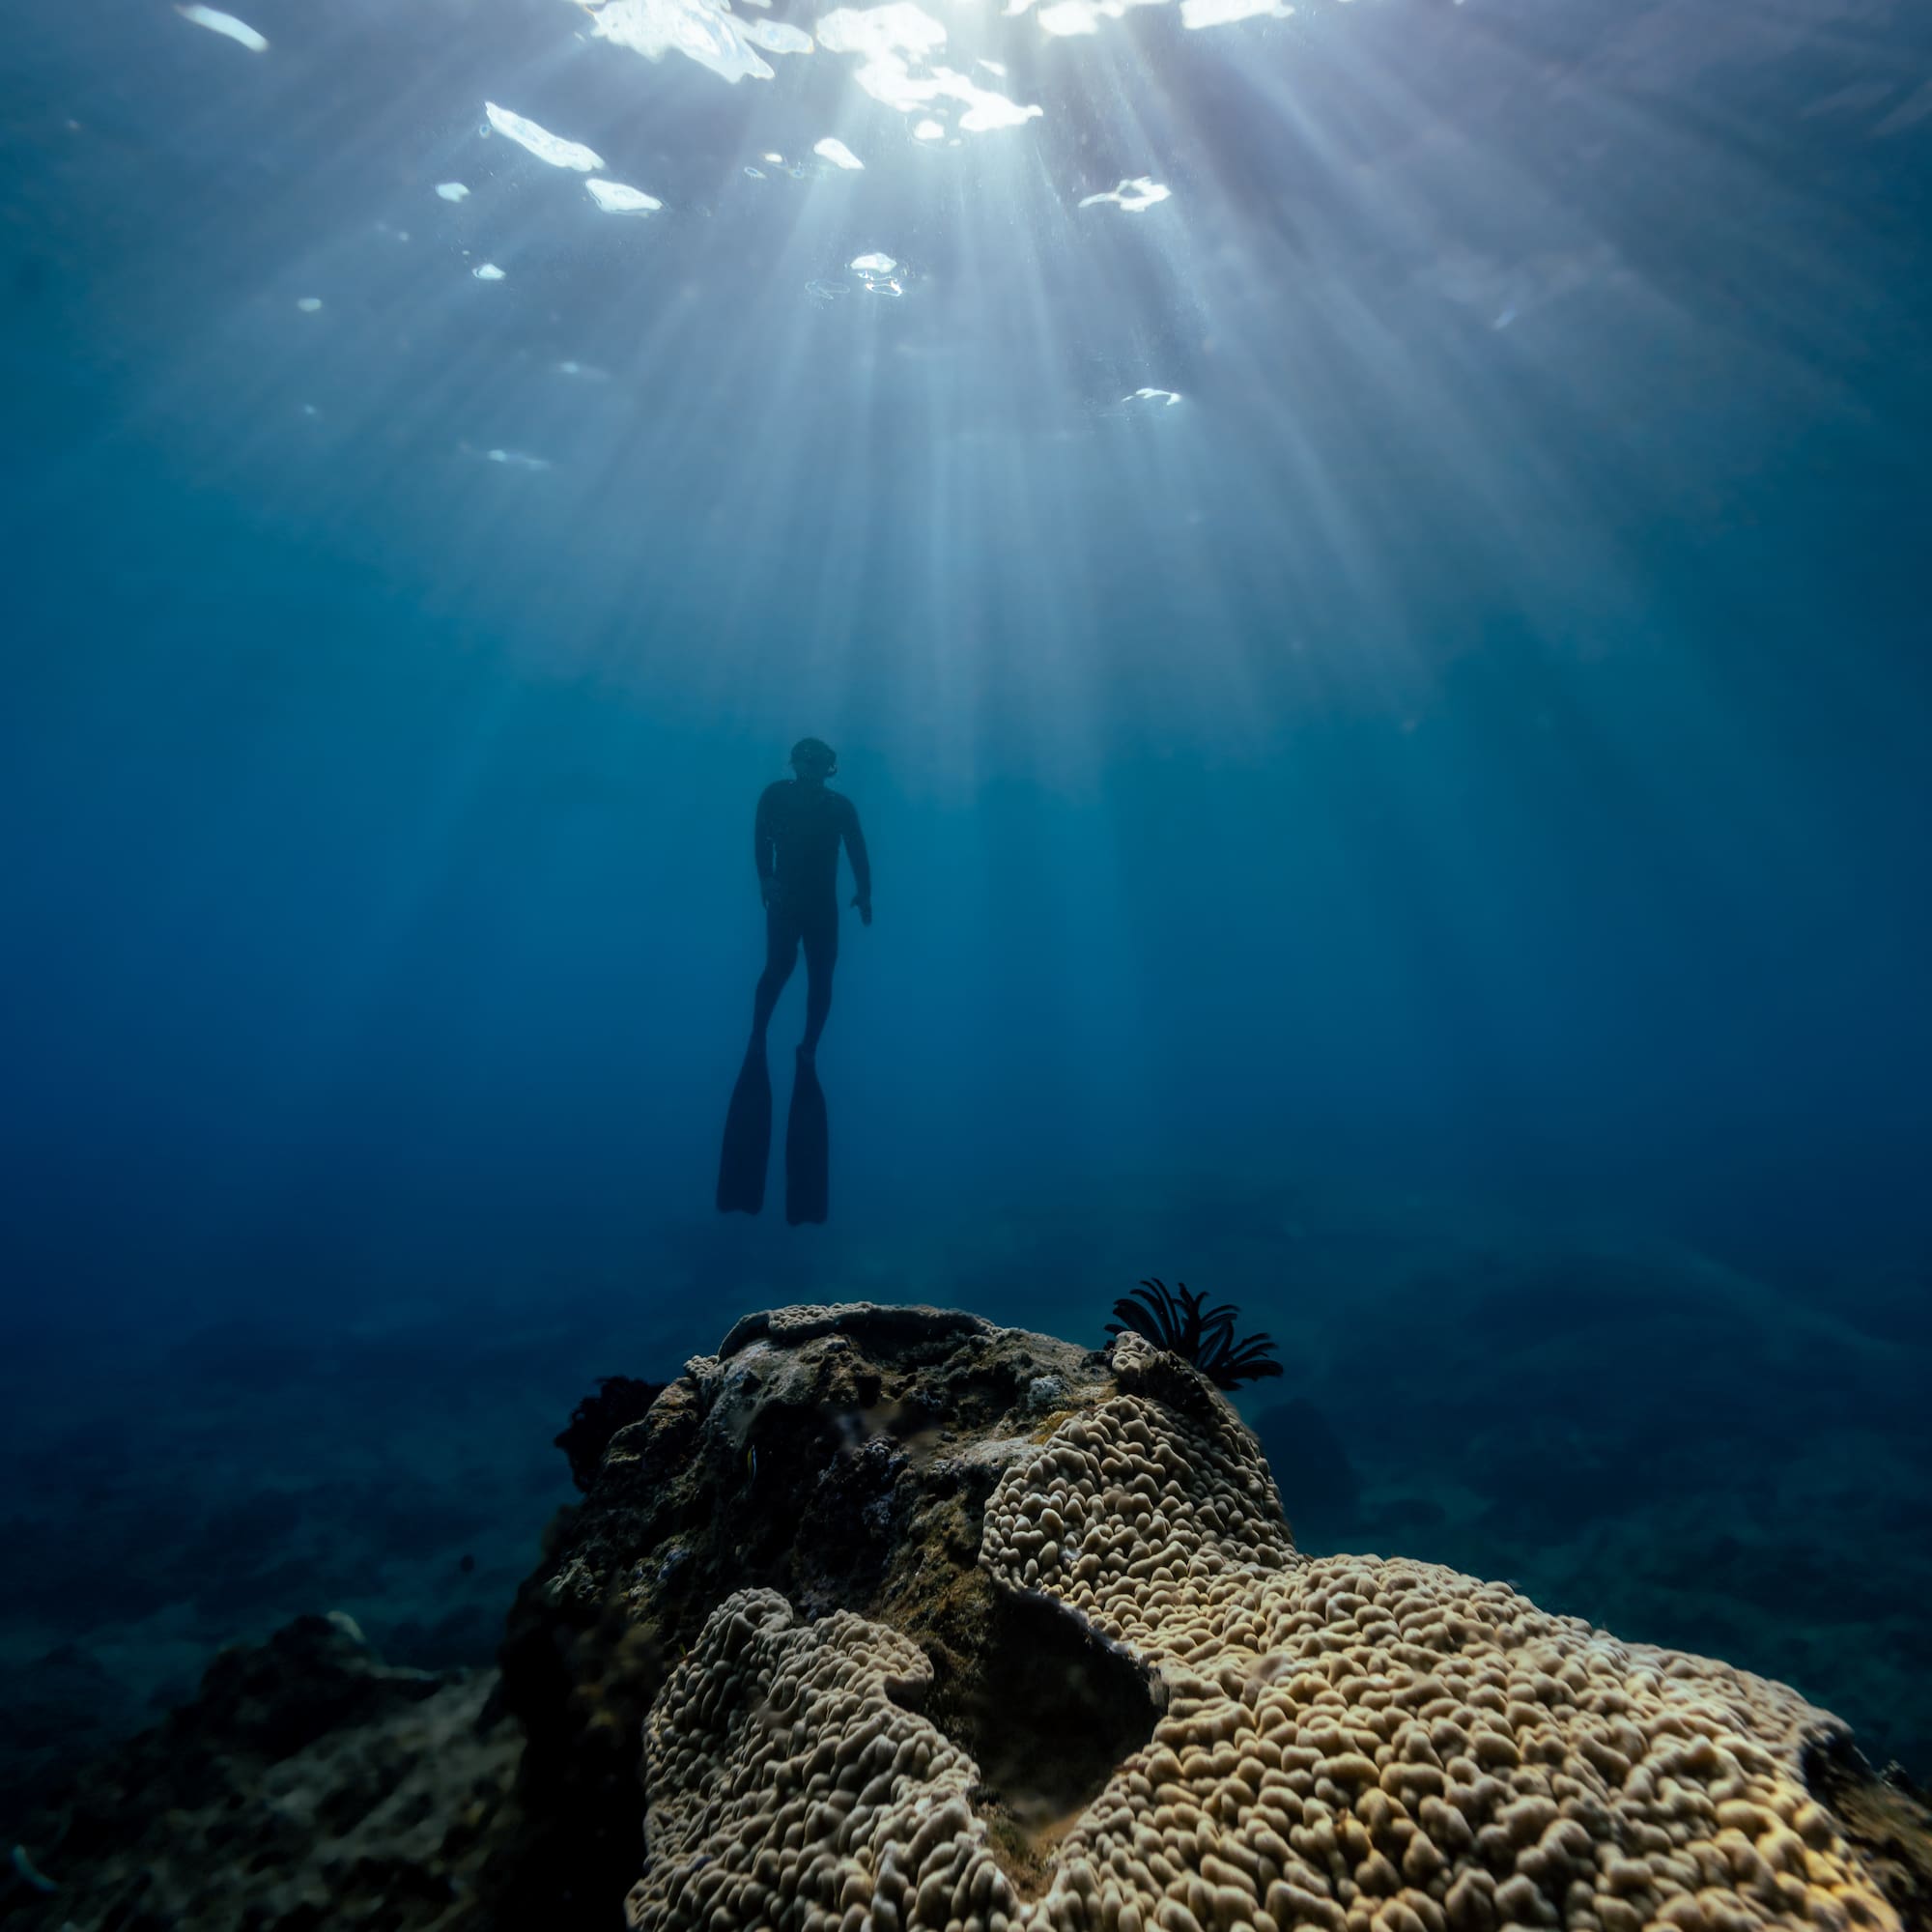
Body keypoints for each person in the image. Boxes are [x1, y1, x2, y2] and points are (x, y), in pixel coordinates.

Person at [717, 738, 871, 1223]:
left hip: (823, 906)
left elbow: (858, 849)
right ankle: (758, 1039)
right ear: (795, 764)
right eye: (805, 761)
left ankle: (807, 1049)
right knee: (779, 969)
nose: (811, 768)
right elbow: (760, 838)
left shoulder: (841, 806)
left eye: (820, 763)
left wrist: (866, 892)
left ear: (830, 768)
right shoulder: (774, 795)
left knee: (821, 980)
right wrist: (765, 879)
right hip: (785, 901)